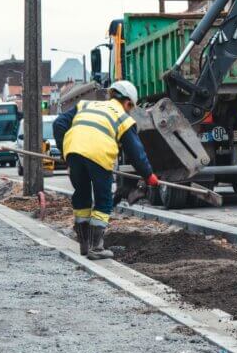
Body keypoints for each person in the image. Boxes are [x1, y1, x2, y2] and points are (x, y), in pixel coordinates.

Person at [53, 80, 159, 260]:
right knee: (103, 200)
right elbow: (136, 152)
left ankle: (84, 245)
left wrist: (66, 153)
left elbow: (58, 125)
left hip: (74, 152)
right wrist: (148, 175)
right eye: (130, 107)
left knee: (82, 196)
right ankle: (97, 248)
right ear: (128, 103)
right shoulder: (123, 117)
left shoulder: (85, 104)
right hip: (99, 154)